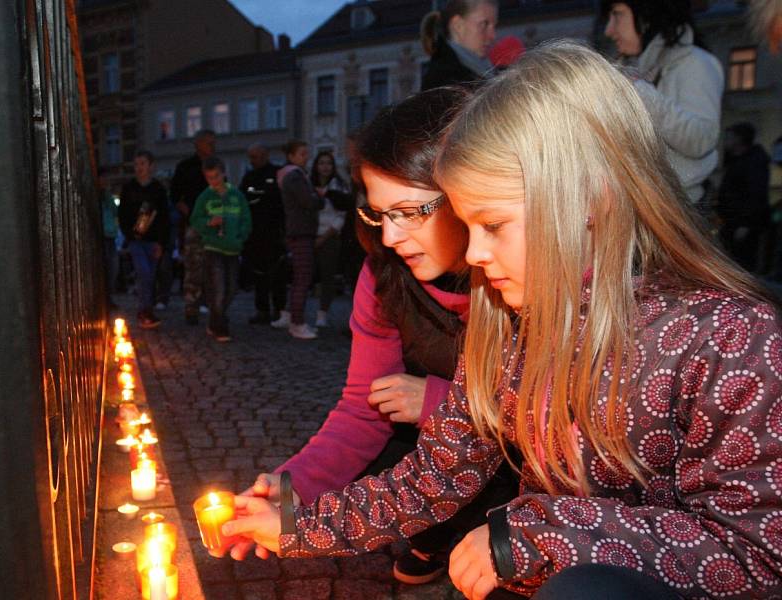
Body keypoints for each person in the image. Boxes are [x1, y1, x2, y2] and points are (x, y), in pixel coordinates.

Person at [223, 42, 782, 600]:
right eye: (468, 226)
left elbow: (759, 557)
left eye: (493, 224)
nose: (473, 255)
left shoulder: (729, 340)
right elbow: (431, 477)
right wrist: (296, 523)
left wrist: (543, 533)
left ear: (593, 200)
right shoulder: (509, 326)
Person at [234, 87, 518, 585]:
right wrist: (289, 493)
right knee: (383, 440)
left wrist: (435, 401)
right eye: (380, 213)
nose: (388, 236)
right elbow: (360, 412)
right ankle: (433, 532)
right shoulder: (387, 272)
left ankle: (457, 526)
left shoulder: (520, 284)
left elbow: (553, 431)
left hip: (529, 473)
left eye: (408, 212)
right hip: (457, 448)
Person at [603, 0, 724, 206]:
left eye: (617, 14)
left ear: (647, 15)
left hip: (682, 213)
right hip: (654, 209)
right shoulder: (638, 68)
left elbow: (702, 139)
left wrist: (641, 92)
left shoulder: (695, 63)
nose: (609, 30)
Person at [190, 157, 252, 342]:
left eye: (216, 176)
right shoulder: (205, 197)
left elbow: (246, 219)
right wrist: (209, 222)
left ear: (223, 173)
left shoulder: (237, 196)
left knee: (231, 288)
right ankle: (220, 326)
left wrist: (240, 237)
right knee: (218, 288)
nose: (214, 181)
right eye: (209, 178)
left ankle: (215, 318)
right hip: (213, 248)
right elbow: (195, 220)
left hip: (233, 249)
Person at [273, 140, 324, 340]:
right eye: (302, 154)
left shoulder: (293, 175)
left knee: (298, 278)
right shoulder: (294, 176)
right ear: (292, 157)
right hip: (301, 231)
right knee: (303, 278)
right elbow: (309, 201)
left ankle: (290, 316)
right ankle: (297, 323)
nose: (307, 157)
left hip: (298, 230)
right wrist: (319, 198)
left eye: (306, 153)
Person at [118, 151, 170, 329]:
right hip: (136, 240)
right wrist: (129, 234)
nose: (139, 168)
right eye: (136, 164)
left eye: (142, 163)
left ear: (151, 166)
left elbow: (164, 218)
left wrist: (161, 243)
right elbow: (123, 214)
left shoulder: (158, 189)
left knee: (151, 275)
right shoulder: (129, 188)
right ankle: (144, 311)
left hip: (153, 240)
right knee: (143, 273)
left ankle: (147, 308)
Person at [238, 144, 287, 325]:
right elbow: (245, 199)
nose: (253, 161)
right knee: (259, 274)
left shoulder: (277, 173)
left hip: (274, 232)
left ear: (265, 154)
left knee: (277, 273)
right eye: (251, 157)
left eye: (256, 156)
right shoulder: (248, 176)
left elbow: (278, 200)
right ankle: (262, 310)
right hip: (255, 234)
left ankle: (279, 309)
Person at [170, 129, 215, 325]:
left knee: (212, 266)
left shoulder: (216, 166)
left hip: (214, 226)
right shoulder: (185, 167)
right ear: (198, 144)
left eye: (213, 142)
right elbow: (174, 195)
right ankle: (191, 306)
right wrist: (184, 208)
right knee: (193, 266)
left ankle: (210, 303)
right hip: (193, 224)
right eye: (208, 142)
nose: (212, 146)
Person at [717, 122, 771, 272]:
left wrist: (746, 224)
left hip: (744, 225)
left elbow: (756, 194)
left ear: (738, 139)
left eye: (729, 137)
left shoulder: (754, 162)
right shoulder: (736, 160)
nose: (725, 141)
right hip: (733, 223)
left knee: (743, 265)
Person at [310, 151, 352, 328]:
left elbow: (341, 216)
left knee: (327, 277)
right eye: (321, 163)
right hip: (310, 235)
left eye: (328, 163)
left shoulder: (339, 186)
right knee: (305, 275)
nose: (325, 167)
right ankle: (294, 312)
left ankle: (322, 313)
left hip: (330, 237)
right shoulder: (308, 184)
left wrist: (325, 236)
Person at [420, 0, 498, 90]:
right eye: (484, 24)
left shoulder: (484, 70)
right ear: (458, 26)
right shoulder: (444, 84)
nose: (493, 36)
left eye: (494, 26)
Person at [98, 167, 119, 312]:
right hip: (102, 236)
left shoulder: (108, 196)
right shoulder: (98, 196)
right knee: (105, 269)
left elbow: (114, 212)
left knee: (113, 269)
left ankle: (108, 298)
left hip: (110, 235)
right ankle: (104, 300)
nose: (107, 181)